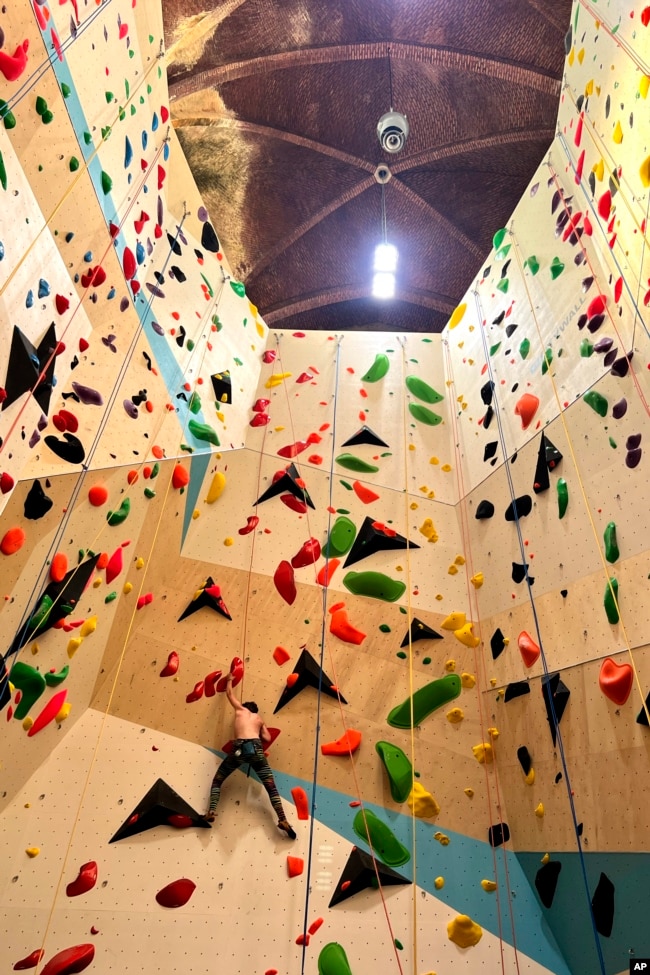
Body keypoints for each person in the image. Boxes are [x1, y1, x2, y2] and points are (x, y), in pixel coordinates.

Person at [206, 674, 296, 838]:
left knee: (218, 780)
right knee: (271, 787)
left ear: (245, 707)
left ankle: (211, 810)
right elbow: (267, 738)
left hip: (239, 749)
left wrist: (230, 680)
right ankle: (283, 819)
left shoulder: (240, 710)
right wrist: (260, 727)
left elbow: (229, 694)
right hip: (256, 750)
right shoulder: (259, 720)